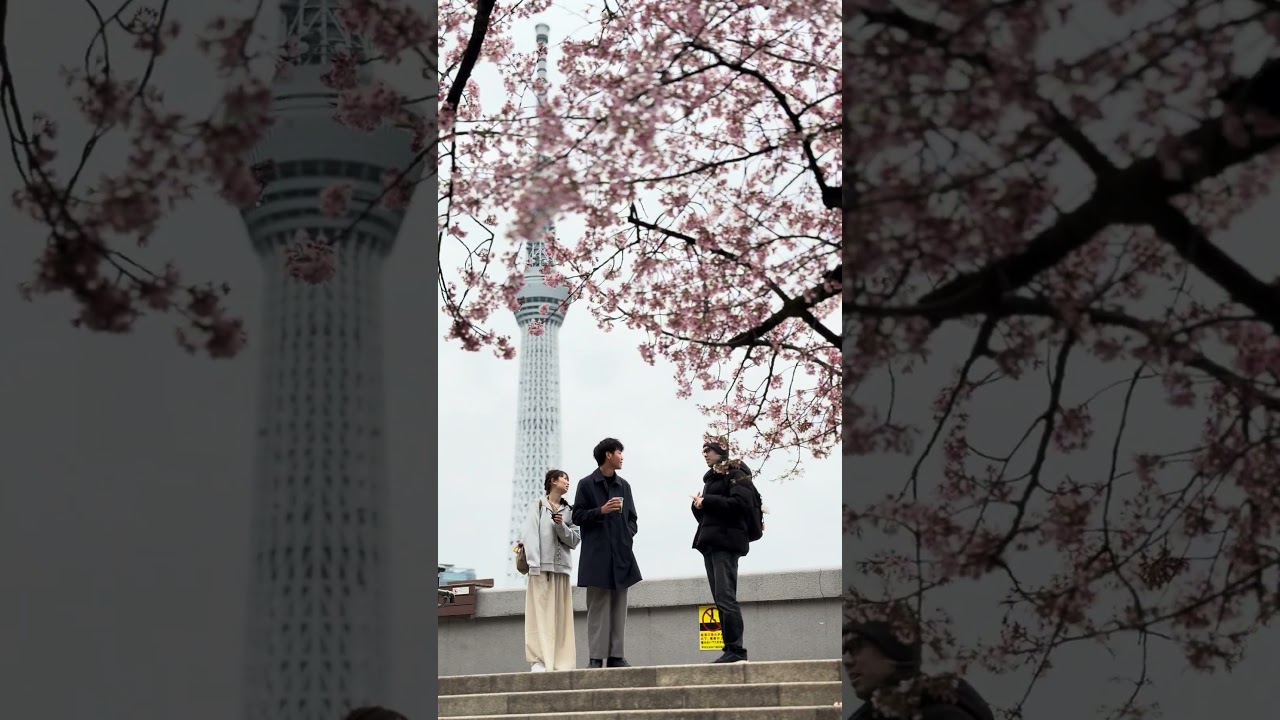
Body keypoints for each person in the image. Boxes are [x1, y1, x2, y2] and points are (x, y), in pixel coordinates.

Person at [571, 437, 642, 668]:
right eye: (620, 452)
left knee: (619, 608)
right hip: (597, 556)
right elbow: (577, 516)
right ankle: (595, 658)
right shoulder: (586, 484)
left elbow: (633, 519)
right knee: (597, 608)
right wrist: (600, 511)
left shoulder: (625, 486)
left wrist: (627, 535)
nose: (622, 457)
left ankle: (616, 657)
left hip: (621, 555)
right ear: (608, 455)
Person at [844, 620, 994, 720]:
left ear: (890, 647)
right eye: (843, 652)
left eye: (855, 648)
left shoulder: (940, 715)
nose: (846, 661)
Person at [690, 438, 756, 663]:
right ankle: (730, 648)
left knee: (726, 597)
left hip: (727, 543)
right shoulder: (712, 479)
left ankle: (736, 650)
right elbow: (710, 515)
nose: (705, 454)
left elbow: (739, 504)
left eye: (708, 450)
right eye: (703, 451)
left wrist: (707, 500)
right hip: (711, 541)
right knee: (720, 598)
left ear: (721, 451)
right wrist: (698, 505)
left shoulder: (737, 474)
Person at [517, 469, 581, 672]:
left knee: (561, 618)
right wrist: (534, 565)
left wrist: (562, 526)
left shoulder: (570, 511)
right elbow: (529, 534)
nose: (568, 482)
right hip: (540, 568)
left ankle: (561, 661)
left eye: (569, 479)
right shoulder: (537, 505)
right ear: (553, 481)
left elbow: (575, 540)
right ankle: (539, 660)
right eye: (564, 478)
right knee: (539, 615)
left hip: (562, 570)